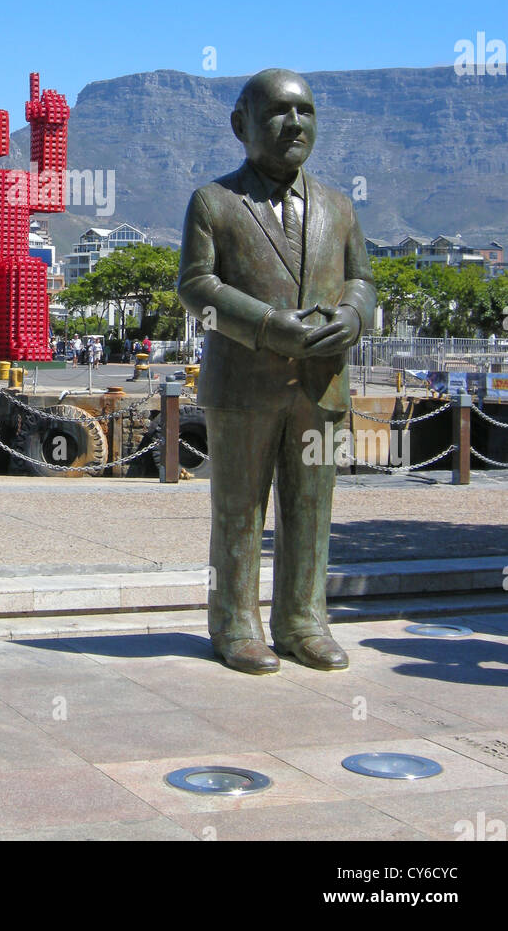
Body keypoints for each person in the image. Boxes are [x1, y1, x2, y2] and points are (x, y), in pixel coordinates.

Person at [178, 68, 375, 675]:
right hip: (243, 386)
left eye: (306, 112)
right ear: (242, 125)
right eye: (279, 112)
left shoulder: (339, 207)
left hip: (320, 386)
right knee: (239, 508)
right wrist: (268, 325)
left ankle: (303, 621)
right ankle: (236, 623)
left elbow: (362, 281)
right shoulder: (214, 202)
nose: (295, 124)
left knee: (312, 508)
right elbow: (195, 287)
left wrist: (353, 316)